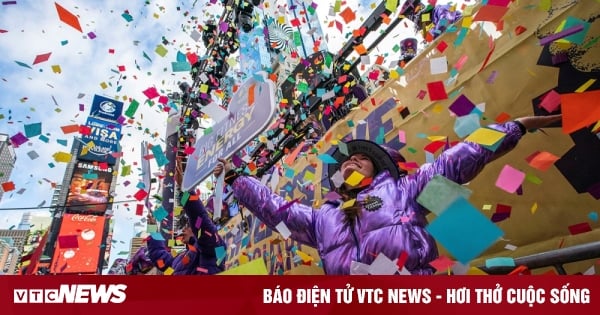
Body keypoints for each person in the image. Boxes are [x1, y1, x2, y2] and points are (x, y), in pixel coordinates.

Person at [214, 115, 562, 275]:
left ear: (378, 169)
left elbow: (461, 159)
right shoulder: (322, 219)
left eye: (362, 157)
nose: (352, 159)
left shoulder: (404, 192)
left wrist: (516, 126)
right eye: (349, 158)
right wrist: (235, 178)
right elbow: (276, 211)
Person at [130, 194, 226, 275]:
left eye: (187, 225)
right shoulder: (182, 256)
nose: (183, 230)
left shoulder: (212, 244)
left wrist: (186, 192)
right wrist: (153, 229)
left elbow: (201, 221)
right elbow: (159, 256)